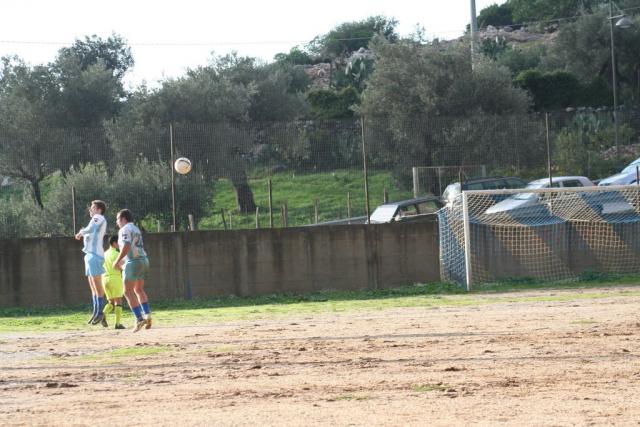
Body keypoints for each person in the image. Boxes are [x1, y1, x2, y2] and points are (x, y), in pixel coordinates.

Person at [113, 209, 152, 333]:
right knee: (138, 289)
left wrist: (117, 261)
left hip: (133, 262)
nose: (117, 222)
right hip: (144, 260)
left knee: (127, 292)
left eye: (118, 219)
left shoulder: (124, 229)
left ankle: (139, 318)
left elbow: (127, 246)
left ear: (124, 219)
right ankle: (147, 315)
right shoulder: (136, 229)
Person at [75, 200, 108, 326]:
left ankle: (100, 312)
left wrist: (81, 232)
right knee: (93, 287)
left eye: (93, 207)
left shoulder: (98, 217)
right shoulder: (94, 219)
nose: (90, 209)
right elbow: (90, 231)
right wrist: (83, 232)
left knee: (97, 286)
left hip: (95, 256)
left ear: (99, 210)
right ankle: (96, 313)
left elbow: (91, 229)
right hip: (89, 255)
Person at [102, 235, 126, 330]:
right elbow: (119, 266)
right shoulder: (117, 254)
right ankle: (117, 324)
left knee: (111, 302)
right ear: (114, 243)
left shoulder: (104, 254)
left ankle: (103, 314)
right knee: (118, 301)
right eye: (119, 242)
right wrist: (124, 268)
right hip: (115, 278)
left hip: (105, 278)